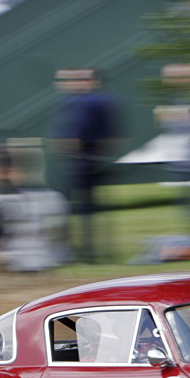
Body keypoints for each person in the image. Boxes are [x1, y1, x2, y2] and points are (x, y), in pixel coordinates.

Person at [50, 67, 120, 263]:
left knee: (85, 209)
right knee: (69, 207)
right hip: (73, 159)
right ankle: (70, 249)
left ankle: (88, 251)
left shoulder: (96, 101)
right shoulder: (69, 101)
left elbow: (109, 132)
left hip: (88, 159)